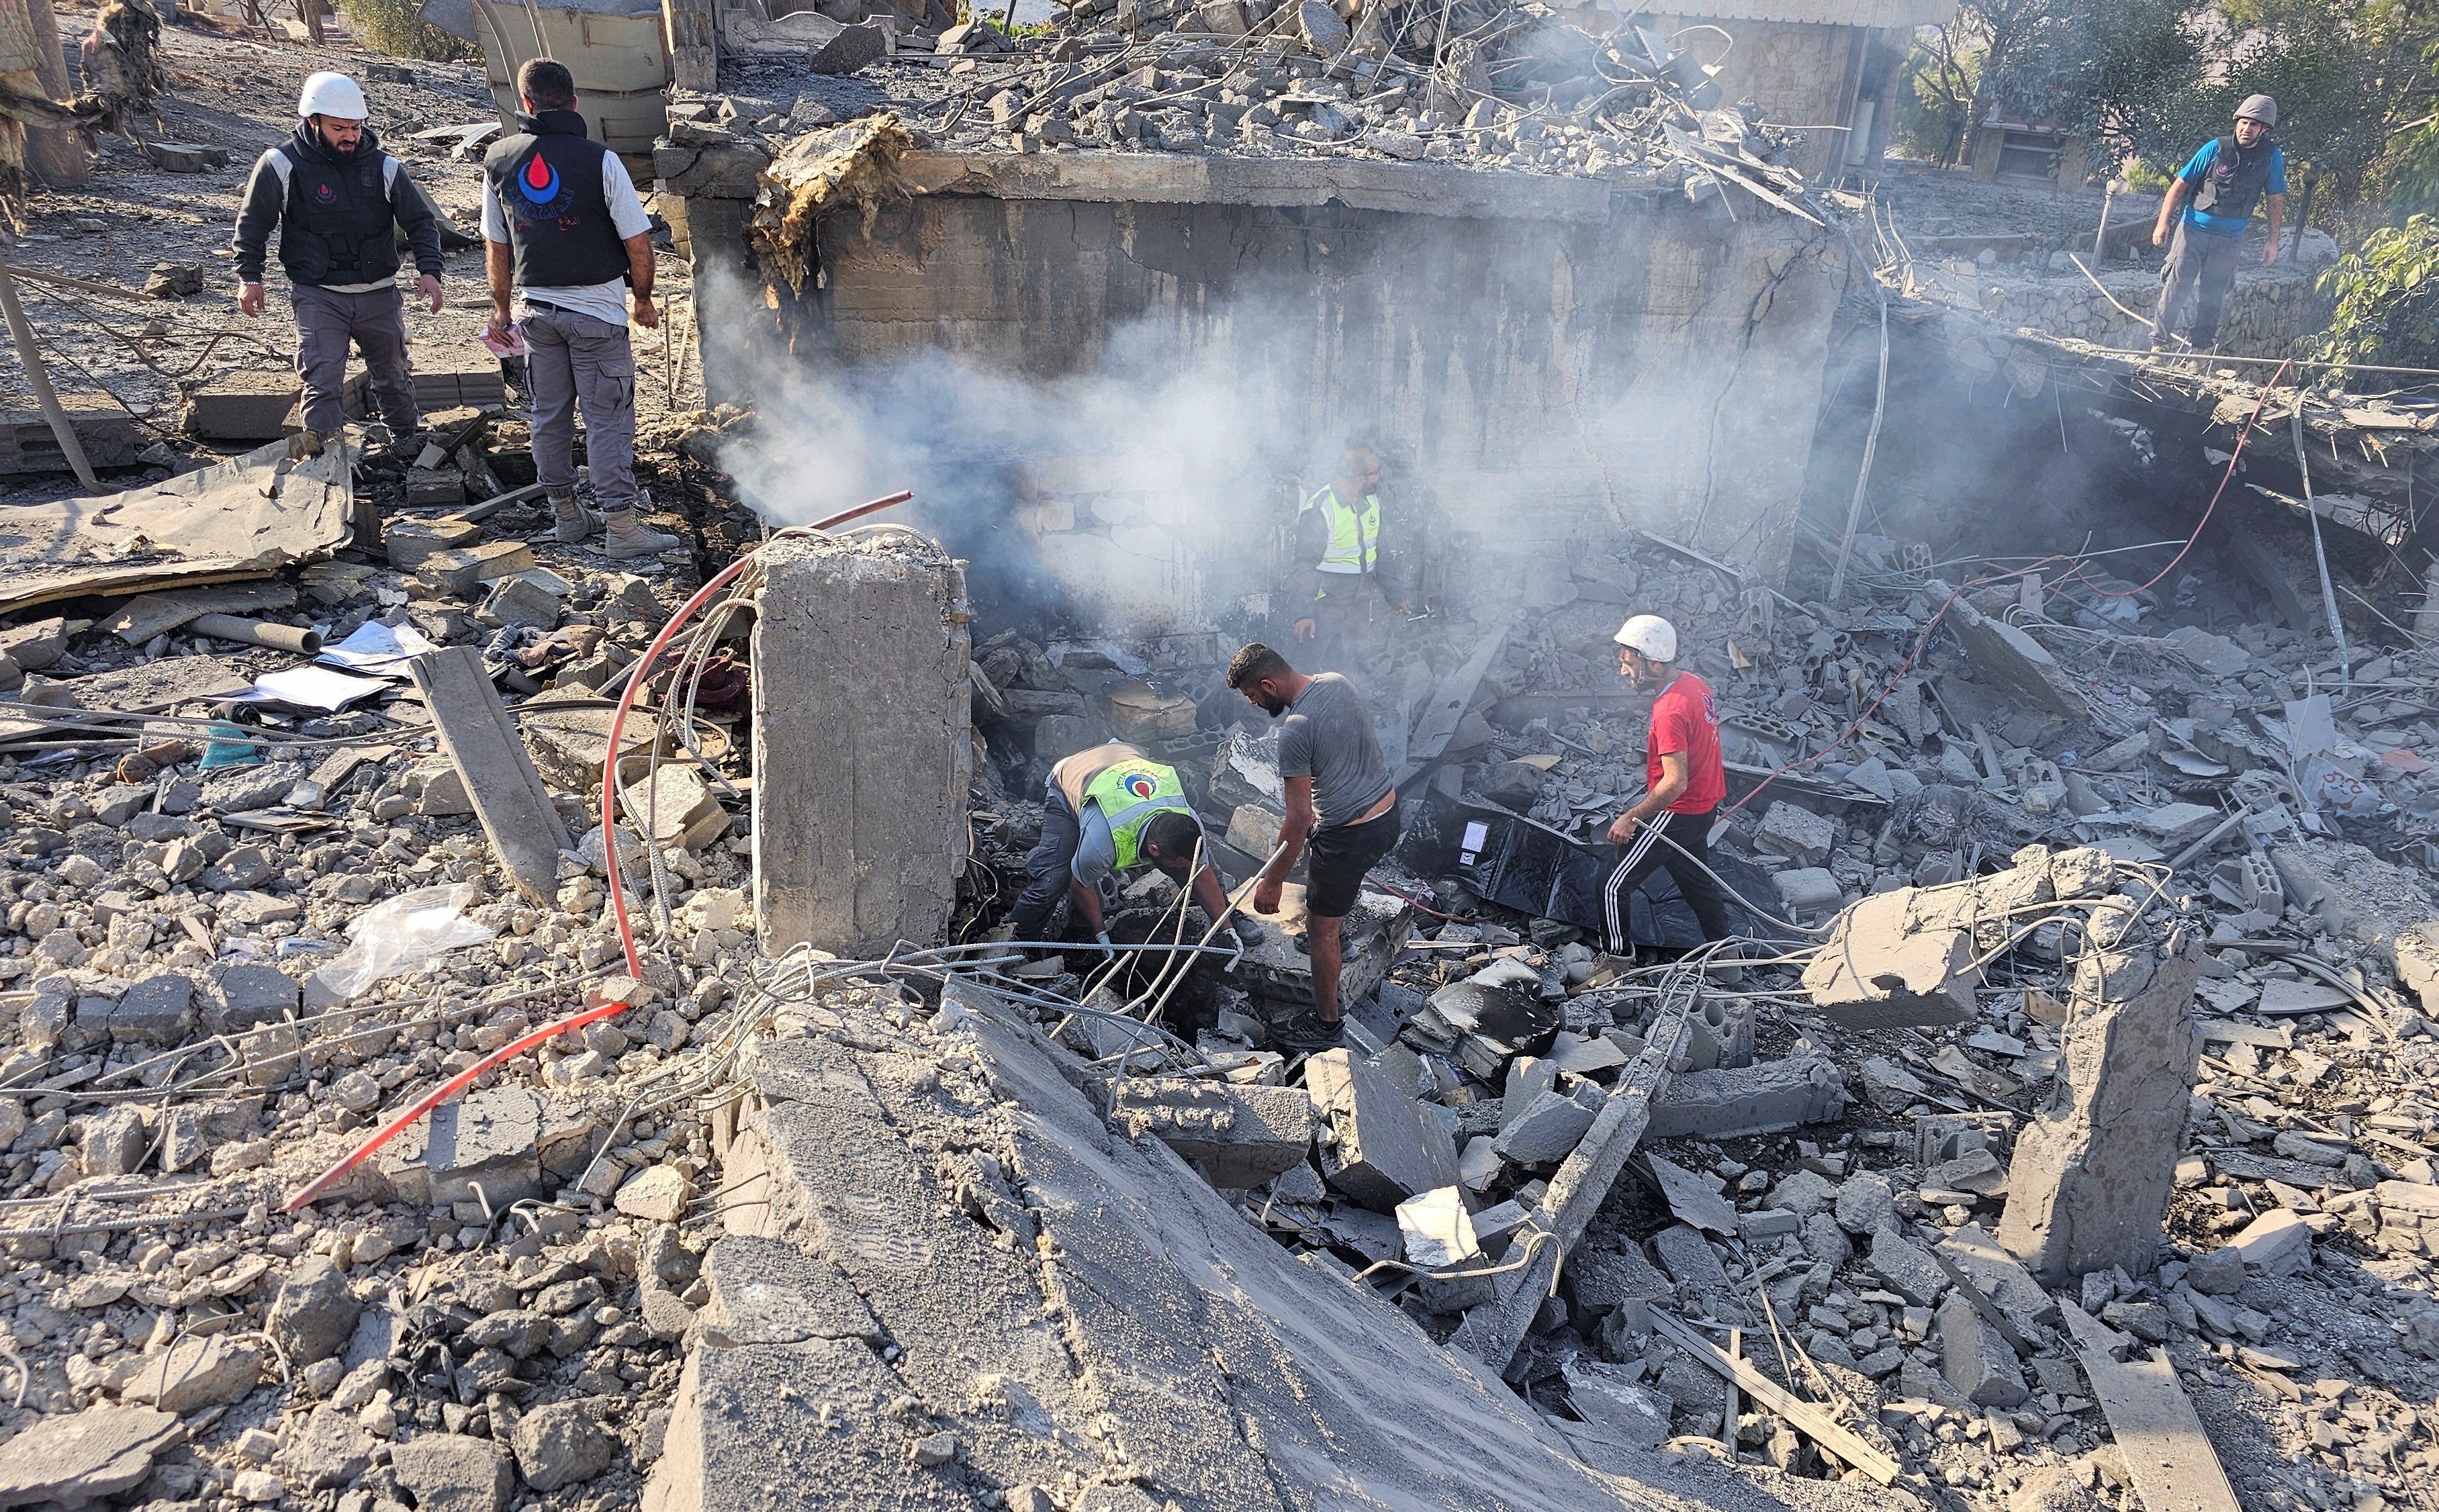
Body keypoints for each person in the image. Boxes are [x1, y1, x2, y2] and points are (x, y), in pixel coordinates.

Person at [481, 58, 678, 562]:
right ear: (574, 103)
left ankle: (568, 517)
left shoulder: (498, 160)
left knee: (549, 415)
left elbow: (497, 248)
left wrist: (501, 312)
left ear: (526, 104)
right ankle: (621, 528)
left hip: (535, 314)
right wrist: (643, 299)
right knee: (608, 418)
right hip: (596, 317)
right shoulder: (600, 161)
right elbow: (638, 243)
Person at [232, 71, 444, 438]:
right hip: (318, 296)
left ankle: (410, 448)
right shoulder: (279, 165)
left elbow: (422, 222)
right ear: (311, 122)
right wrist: (250, 279)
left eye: (356, 127)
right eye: (338, 128)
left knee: (393, 379)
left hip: (379, 294)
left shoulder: (385, 167)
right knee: (323, 383)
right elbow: (252, 226)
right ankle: (322, 464)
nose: (349, 136)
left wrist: (430, 272)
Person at [1228, 643, 1399, 1051]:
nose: (1254, 703)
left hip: (1349, 838)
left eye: (1253, 696)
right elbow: (1349, 747)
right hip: (1388, 815)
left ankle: (1326, 1027)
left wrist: (1272, 883)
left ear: (1269, 684)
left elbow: (1299, 819)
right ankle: (1338, 929)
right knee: (1328, 884)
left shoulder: (1295, 730)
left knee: (1320, 930)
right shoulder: (1336, 682)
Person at [1009, 741, 1243, 954]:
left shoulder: (1188, 822)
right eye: (1176, 863)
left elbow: (1201, 874)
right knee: (1052, 880)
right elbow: (1080, 882)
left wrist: (1227, 930)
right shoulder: (1103, 843)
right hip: (1070, 780)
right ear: (1153, 850)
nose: (1185, 868)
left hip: (1122, 755)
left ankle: (1228, 918)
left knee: (1201, 865)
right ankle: (1014, 945)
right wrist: (1101, 935)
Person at [1601, 614, 1735, 953]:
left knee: (1613, 885)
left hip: (1679, 811)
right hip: (1704, 806)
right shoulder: (1694, 684)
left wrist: (1632, 817)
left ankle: (1615, 959)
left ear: (1654, 665)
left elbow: (1675, 782)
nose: (1624, 670)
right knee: (1695, 881)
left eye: (1629, 662)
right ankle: (1725, 951)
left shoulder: (1669, 711)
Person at [2151, 95, 2287, 354]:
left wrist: (2273, 241)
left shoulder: (2271, 158)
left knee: (2213, 297)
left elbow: (2275, 199)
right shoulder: (2215, 148)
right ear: (2237, 122)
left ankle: (2199, 352)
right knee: (2176, 289)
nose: (2247, 129)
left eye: (2254, 125)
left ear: (2265, 129)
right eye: (2244, 122)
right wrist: (2163, 223)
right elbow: (2179, 186)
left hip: (2230, 240)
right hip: (2193, 232)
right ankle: (2158, 345)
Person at [1289, 441, 1403, 675]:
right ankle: (1295, 711)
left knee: (1346, 665)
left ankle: (1341, 707)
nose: (1380, 477)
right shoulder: (1321, 509)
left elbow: (1381, 554)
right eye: (1376, 473)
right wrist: (1304, 613)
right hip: (1326, 606)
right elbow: (1304, 566)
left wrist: (1396, 595)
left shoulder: (1372, 503)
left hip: (1359, 604)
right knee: (1306, 669)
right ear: (1360, 477)